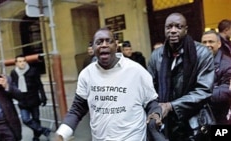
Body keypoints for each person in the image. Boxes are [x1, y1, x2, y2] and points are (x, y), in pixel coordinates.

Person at [54, 27, 162, 141]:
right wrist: (62, 134)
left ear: (116, 46)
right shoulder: (86, 74)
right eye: (99, 42)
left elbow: (151, 102)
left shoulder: (137, 71)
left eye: (108, 41)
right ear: (93, 48)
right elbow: (77, 109)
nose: (104, 45)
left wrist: (155, 115)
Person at [147, 12, 215, 141]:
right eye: (169, 27)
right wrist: (155, 110)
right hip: (166, 124)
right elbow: (149, 89)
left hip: (195, 123)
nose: (173, 31)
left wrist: (171, 106)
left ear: (186, 30)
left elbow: (204, 90)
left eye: (178, 27)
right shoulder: (156, 55)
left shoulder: (202, 53)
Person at [10, 54, 51, 141]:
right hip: (22, 100)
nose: (22, 63)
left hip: (34, 99)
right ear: (16, 63)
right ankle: (43, 130)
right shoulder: (14, 73)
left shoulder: (33, 70)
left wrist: (43, 97)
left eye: (24, 61)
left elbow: (39, 85)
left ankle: (36, 137)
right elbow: (13, 86)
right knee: (25, 119)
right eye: (20, 61)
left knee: (36, 119)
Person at [201, 30, 231, 125]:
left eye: (211, 41)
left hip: (222, 117)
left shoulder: (227, 64)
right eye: (204, 42)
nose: (207, 45)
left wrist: (199, 94)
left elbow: (226, 92)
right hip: (204, 117)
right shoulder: (198, 62)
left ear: (219, 44)